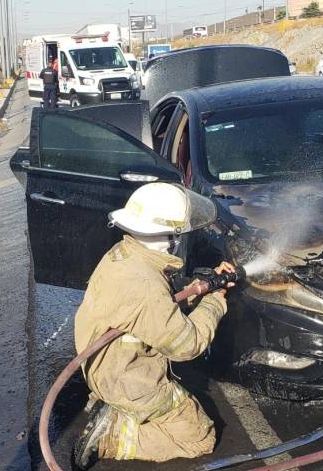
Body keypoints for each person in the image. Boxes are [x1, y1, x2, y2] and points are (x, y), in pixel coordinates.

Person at [72, 182, 236, 468]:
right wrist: (216, 300)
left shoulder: (125, 255)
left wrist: (201, 287)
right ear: (169, 236)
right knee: (200, 438)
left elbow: (154, 310)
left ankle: (112, 407)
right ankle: (112, 436)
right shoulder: (145, 285)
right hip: (127, 379)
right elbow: (187, 345)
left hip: (103, 364)